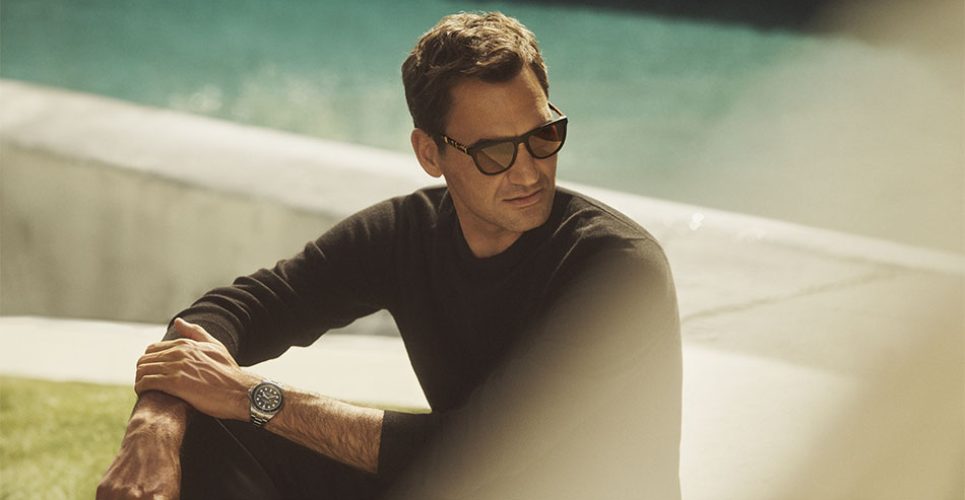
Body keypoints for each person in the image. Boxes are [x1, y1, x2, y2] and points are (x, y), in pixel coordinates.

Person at [97, 11, 681, 500]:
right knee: (205, 426)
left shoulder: (614, 269)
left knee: (234, 409)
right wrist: (157, 419)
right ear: (430, 153)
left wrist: (253, 397)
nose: (528, 171)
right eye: (494, 152)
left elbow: (476, 451)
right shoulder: (408, 233)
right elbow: (240, 309)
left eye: (543, 136)